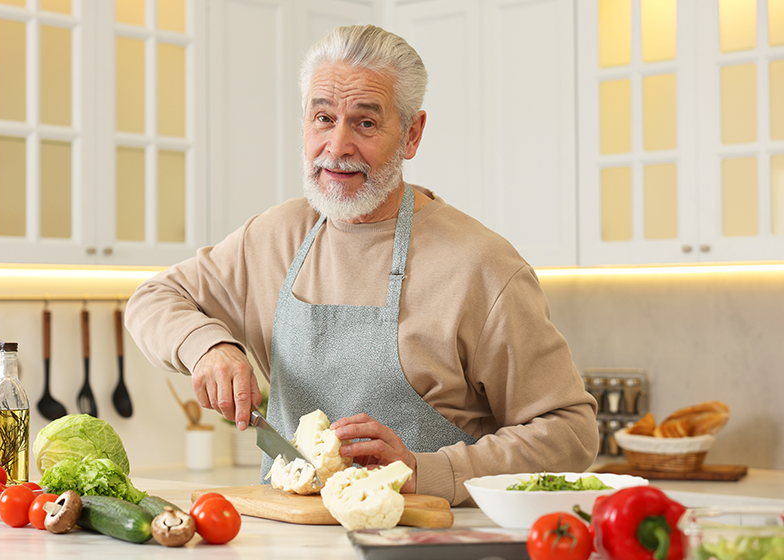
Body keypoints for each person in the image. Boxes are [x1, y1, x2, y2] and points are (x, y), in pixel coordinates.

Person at [125, 24, 599, 506]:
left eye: (365, 123)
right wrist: (208, 347)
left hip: (428, 541)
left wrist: (429, 471)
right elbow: (153, 299)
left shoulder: (482, 266)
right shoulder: (275, 237)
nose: (337, 146)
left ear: (411, 134)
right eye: (323, 118)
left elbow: (571, 433)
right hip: (289, 536)